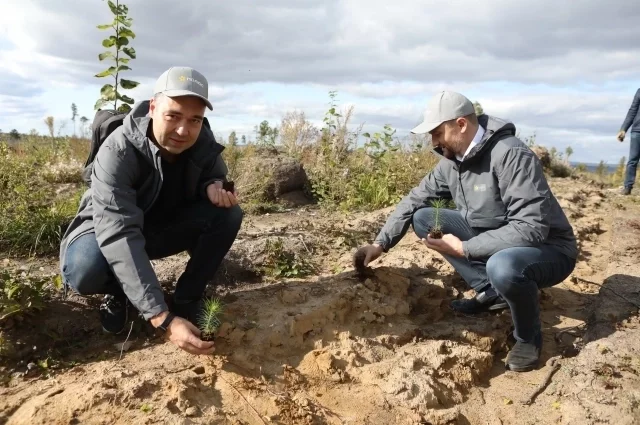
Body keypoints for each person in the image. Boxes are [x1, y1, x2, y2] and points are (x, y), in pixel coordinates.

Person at [354, 91, 578, 372]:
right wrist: (380, 244)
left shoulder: (510, 154)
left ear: (460, 124)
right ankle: (491, 292)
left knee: (503, 266)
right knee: (425, 218)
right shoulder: (451, 162)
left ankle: (528, 338)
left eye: (437, 133)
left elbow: (530, 228)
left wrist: (464, 249)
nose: (434, 142)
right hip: (497, 235)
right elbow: (415, 199)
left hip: (548, 249)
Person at [59, 66, 243, 356]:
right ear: (153, 107)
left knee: (227, 214)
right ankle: (120, 292)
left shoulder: (201, 140)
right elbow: (119, 234)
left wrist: (212, 185)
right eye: (173, 115)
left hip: (156, 229)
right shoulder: (118, 150)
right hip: (105, 230)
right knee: (84, 270)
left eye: (195, 119)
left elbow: (214, 172)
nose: (184, 130)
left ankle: (187, 299)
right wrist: (162, 319)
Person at [616, 88, 640, 195]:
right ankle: (627, 187)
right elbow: (632, 111)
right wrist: (623, 129)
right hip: (637, 131)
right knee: (632, 160)